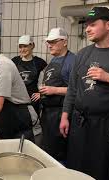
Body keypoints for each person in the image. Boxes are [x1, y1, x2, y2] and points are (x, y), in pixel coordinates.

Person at [60, 7, 109, 180]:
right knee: (76, 168)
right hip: (79, 123)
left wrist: (108, 77)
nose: (87, 29)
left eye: (93, 25)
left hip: (105, 125)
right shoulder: (83, 54)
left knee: (99, 169)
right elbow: (72, 89)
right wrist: (64, 115)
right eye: (87, 25)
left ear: (108, 25)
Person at [39, 27, 76, 162]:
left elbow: (77, 89)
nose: (49, 45)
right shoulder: (54, 59)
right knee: (47, 152)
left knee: (59, 154)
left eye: (53, 42)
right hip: (48, 114)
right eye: (48, 42)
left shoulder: (72, 61)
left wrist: (54, 90)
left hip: (61, 114)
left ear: (65, 42)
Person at [12, 35, 47, 115]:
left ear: (32, 46)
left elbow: (50, 78)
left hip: (33, 101)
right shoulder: (15, 61)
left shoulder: (40, 62)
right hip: (17, 100)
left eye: (25, 46)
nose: (22, 49)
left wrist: (41, 94)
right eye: (20, 47)